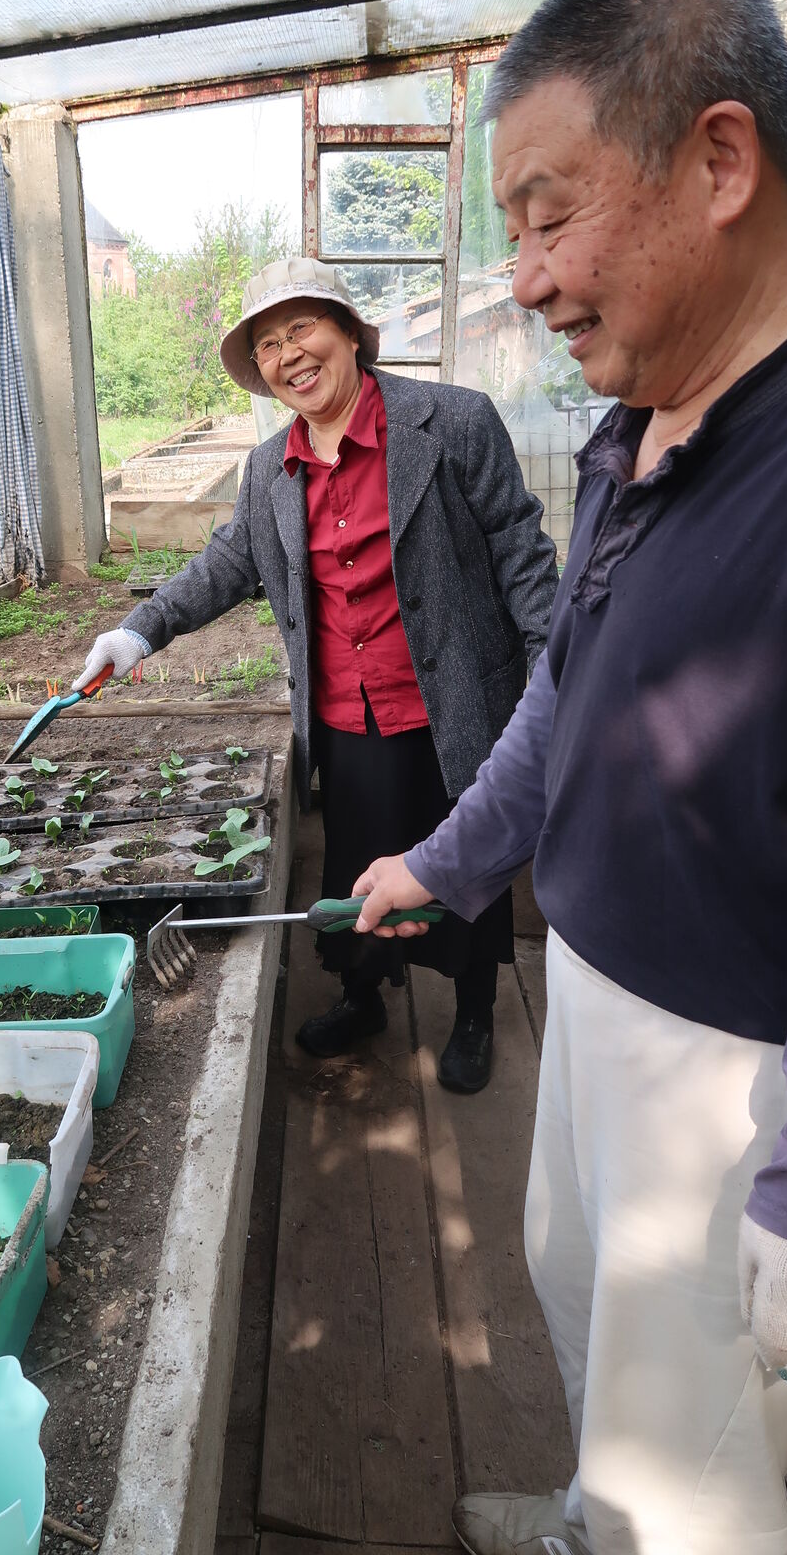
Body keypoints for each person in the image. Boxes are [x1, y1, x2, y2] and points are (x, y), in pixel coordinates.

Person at [352, 0, 787, 1549]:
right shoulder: (635, 429)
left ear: (721, 161)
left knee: (694, 1450)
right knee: (583, 1302)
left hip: (734, 1072)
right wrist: (451, 859)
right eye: (512, 231)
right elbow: (571, 687)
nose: (523, 278)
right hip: (590, 981)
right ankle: (594, 1515)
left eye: (548, 212)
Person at [75, 258, 558, 1092]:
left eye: (301, 329)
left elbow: (520, 549)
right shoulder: (270, 470)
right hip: (347, 715)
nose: (289, 354)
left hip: (458, 704)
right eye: (267, 344)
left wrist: (558, 670)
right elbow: (226, 564)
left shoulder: (453, 423)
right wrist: (136, 632)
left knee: (467, 862)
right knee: (362, 862)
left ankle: (475, 1010)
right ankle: (365, 993)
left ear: (348, 332)